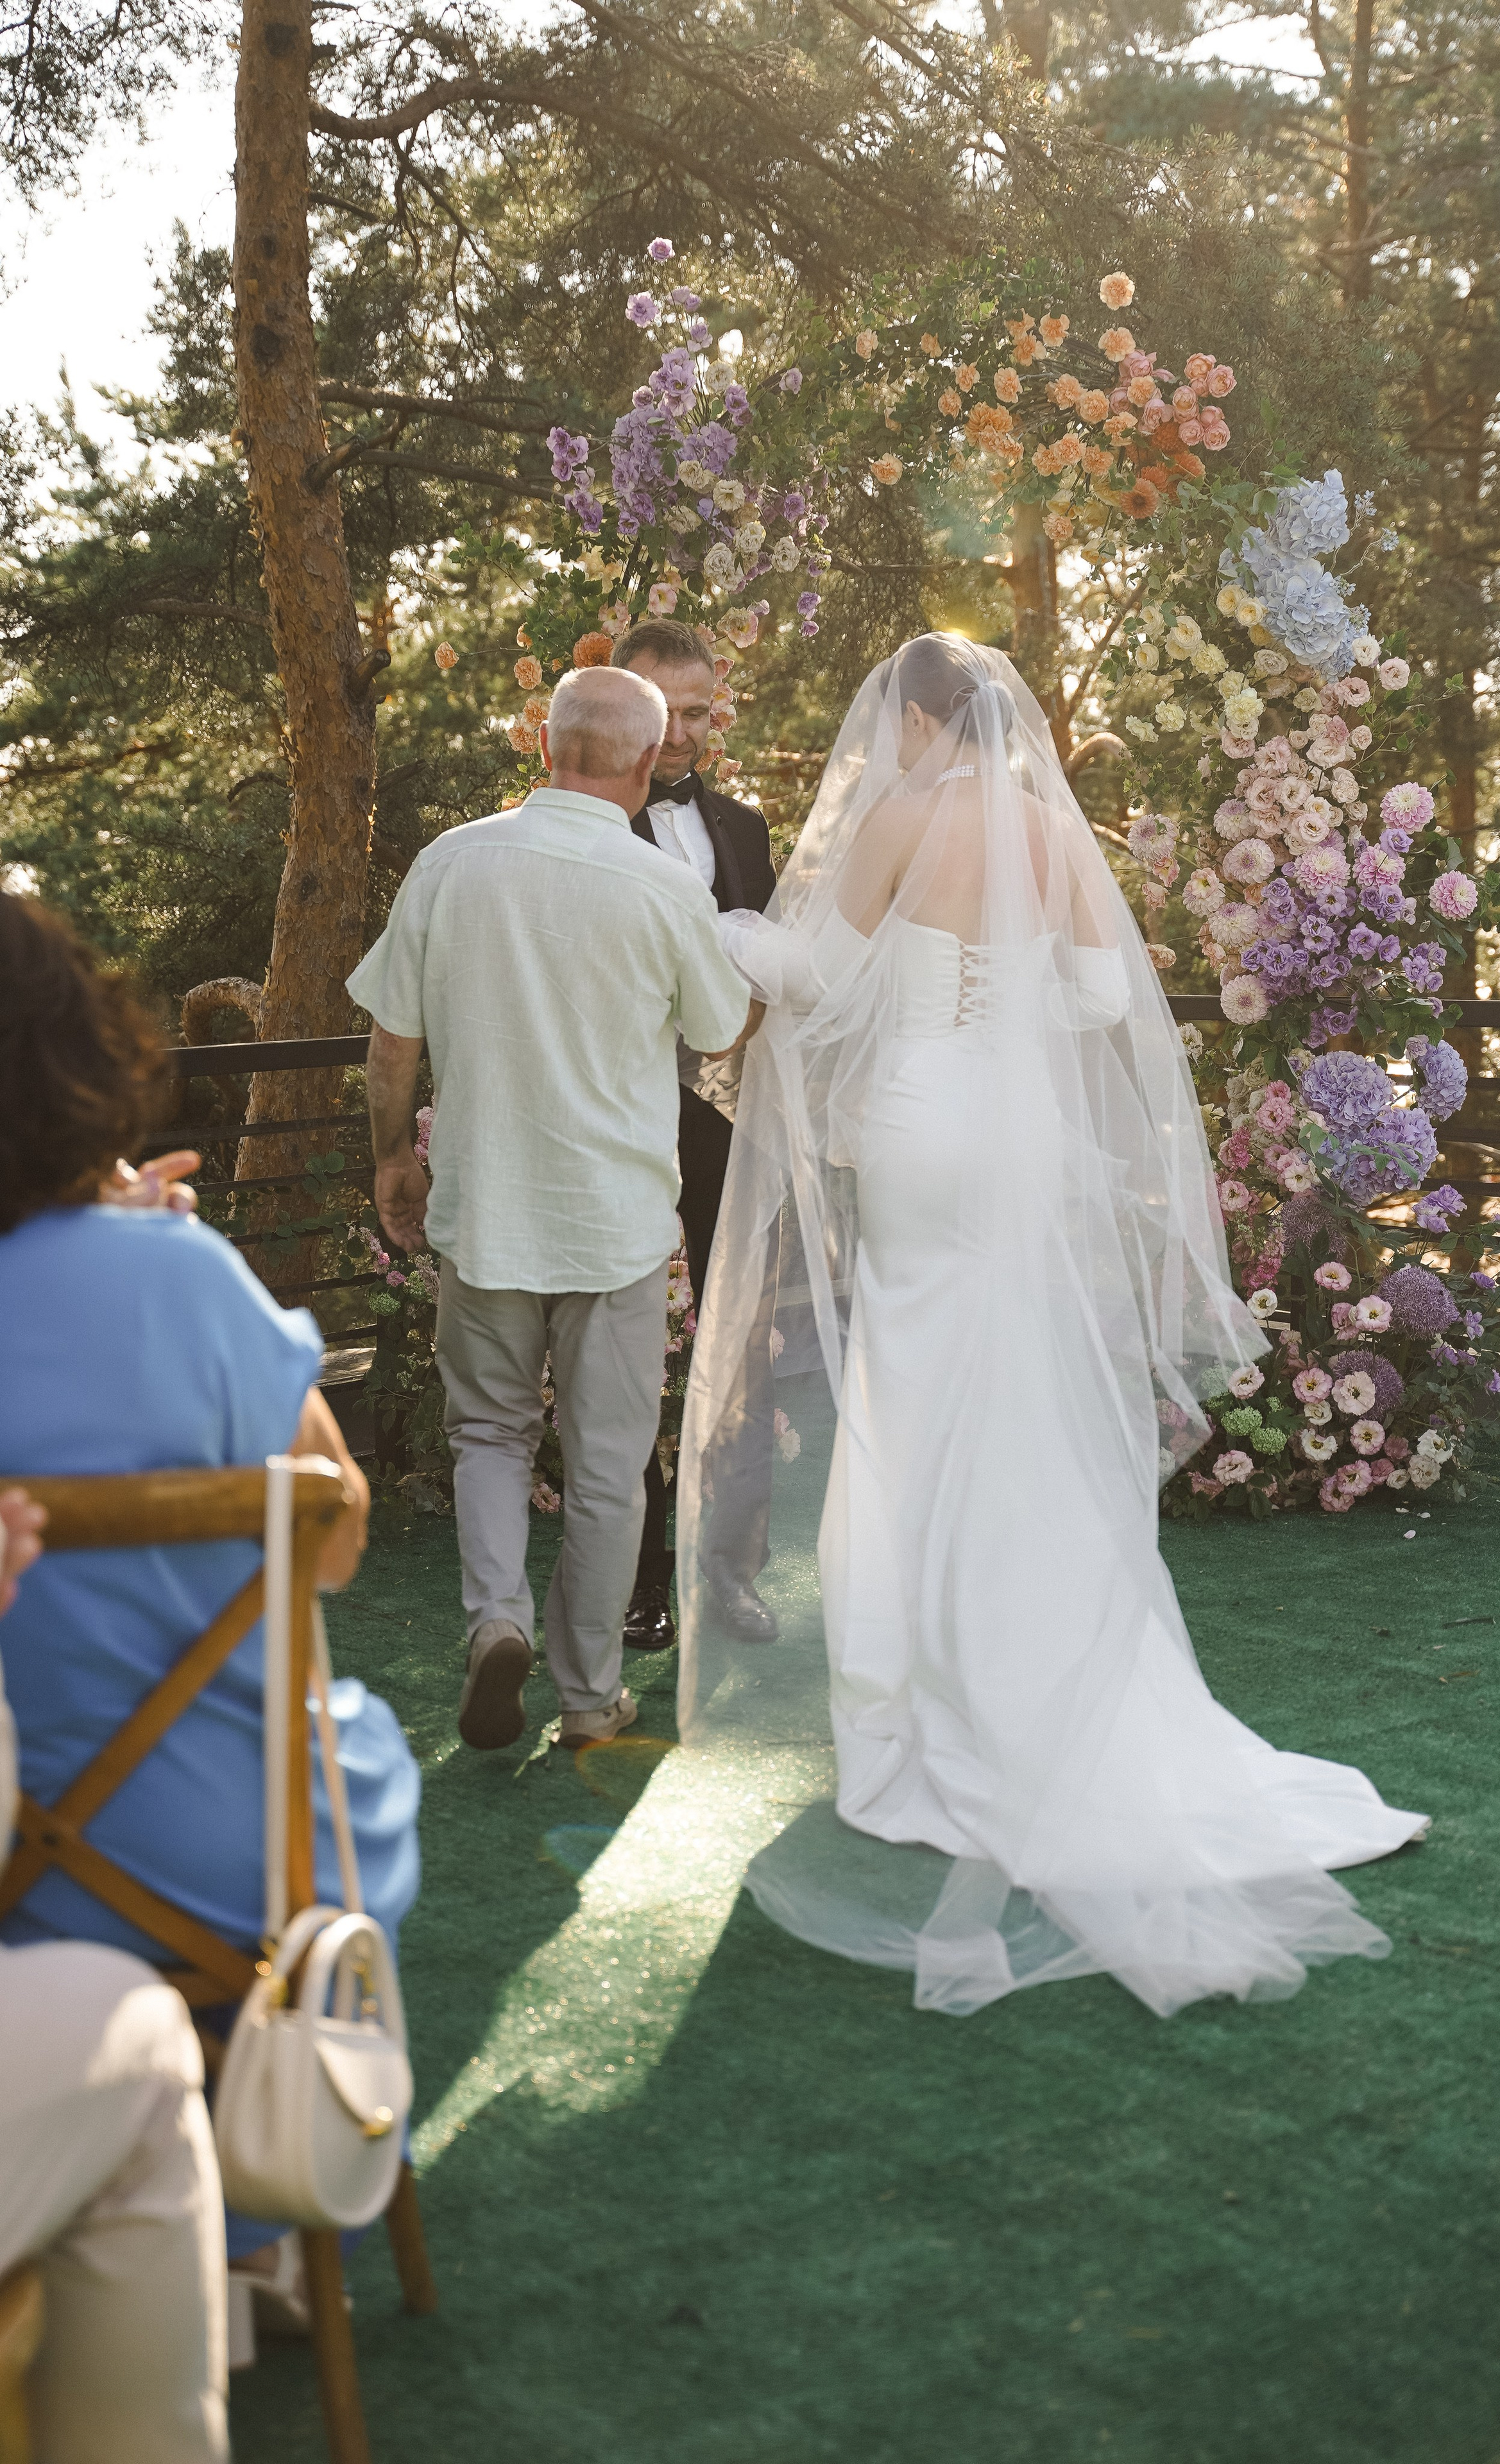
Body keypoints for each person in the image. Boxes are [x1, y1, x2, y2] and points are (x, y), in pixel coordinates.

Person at [676, 635, 1428, 2019]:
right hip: (1019, 1139)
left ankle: (919, 1707)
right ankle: (1042, 1673)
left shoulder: (903, 812)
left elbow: (821, 976)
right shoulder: (1046, 826)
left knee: (908, 1388)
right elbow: (1095, 1002)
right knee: (1013, 1380)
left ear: (913, 715)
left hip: (915, 1129)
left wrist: (715, 930)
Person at [0, 889, 418, 2304]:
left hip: (13, 1876)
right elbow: (337, 1540)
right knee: (358, 1752)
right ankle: (253, 2235)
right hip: (233, 1858)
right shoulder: (177, 1270)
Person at [350, 663, 753, 1752]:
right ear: (639, 764)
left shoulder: (451, 861)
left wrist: (395, 1158)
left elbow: (392, 1046)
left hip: (484, 1207)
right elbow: (719, 1035)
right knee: (610, 1465)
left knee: (486, 1431)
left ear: (546, 748)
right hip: (614, 1220)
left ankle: (495, 1621)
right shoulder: (664, 888)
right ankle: (590, 1699)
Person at [0, 1485, 232, 2463]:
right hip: (212, 1854)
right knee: (129, 2033)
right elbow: (331, 1524)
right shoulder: (230, 1339)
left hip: (60, 1868)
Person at [613, 617, 780, 1651]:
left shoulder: (751, 832)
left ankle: (730, 1569)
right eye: (665, 711)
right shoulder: (582, 829)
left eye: (701, 711)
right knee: (623, 1351)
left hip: (732, 1127)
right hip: (620, 1122)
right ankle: (639, 1581)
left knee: (742, 1346)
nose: (683, 734)